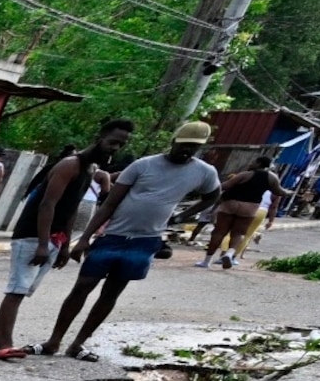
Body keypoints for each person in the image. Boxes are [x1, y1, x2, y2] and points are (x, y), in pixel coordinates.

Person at [42, 120, 227, 359]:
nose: (186, 150)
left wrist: (181, 216)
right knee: (83, 286)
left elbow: (213, 195)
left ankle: (78, 344)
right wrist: (85, 238)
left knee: (111, 293)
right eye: (183, 145)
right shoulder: (144, 165)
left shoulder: (204, 172)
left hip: (145, 241)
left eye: (193, 147)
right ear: (174, 142)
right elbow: (110, 203)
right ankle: (54, 340)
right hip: (113, 236)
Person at [0, 122, 131, 358]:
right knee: (17, 289)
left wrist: (64, 245)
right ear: (100, 136)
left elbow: (70, 209)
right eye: (113, 142)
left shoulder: (90, 169)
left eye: (121, 144)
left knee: (23, 289)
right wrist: (42, 242)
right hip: (33, 234)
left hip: (55, 237)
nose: (116, 148)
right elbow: (47, 204)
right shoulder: (70, 165)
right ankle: (3, 342)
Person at [203, 154, 278, 269]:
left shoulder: (244, 175)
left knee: (219, 232)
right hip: (251, 207)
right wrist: (288, 193)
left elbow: (225, 186)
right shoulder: (272, 178)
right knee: (239, 234)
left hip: (230, 205)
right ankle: (229, 253)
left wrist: (208, 187)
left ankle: (207, 261)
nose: (251, 163)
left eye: (254, 161)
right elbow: (280, 192)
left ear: (258, 163)